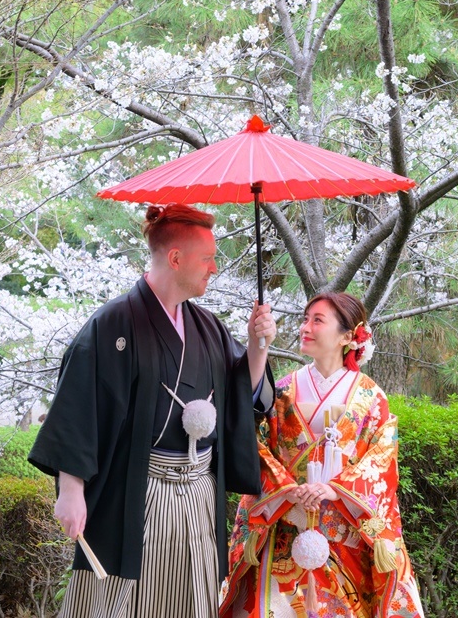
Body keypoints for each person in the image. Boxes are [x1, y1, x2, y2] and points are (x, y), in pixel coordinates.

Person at [28, 203, 277, 618]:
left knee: (192, 597)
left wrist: (258, 344)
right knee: (123, 599)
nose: (213, 268)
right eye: (207, 258)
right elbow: (79, 406)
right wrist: (70, 492)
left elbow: (240, 391)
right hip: (138, 489)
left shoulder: (208, 325)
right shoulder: (112, 324)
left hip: (198, 490)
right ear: (175, 258)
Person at [220, 292, 425, 618]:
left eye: (318, 320)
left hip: (345, 539)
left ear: (347, 336)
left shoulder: (370, 397)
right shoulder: (283, 390)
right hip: (286, 529)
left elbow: (382, 458)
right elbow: (257, 445)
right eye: (305, 319)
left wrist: (335, 488)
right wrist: (288, 488)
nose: (306, 327)